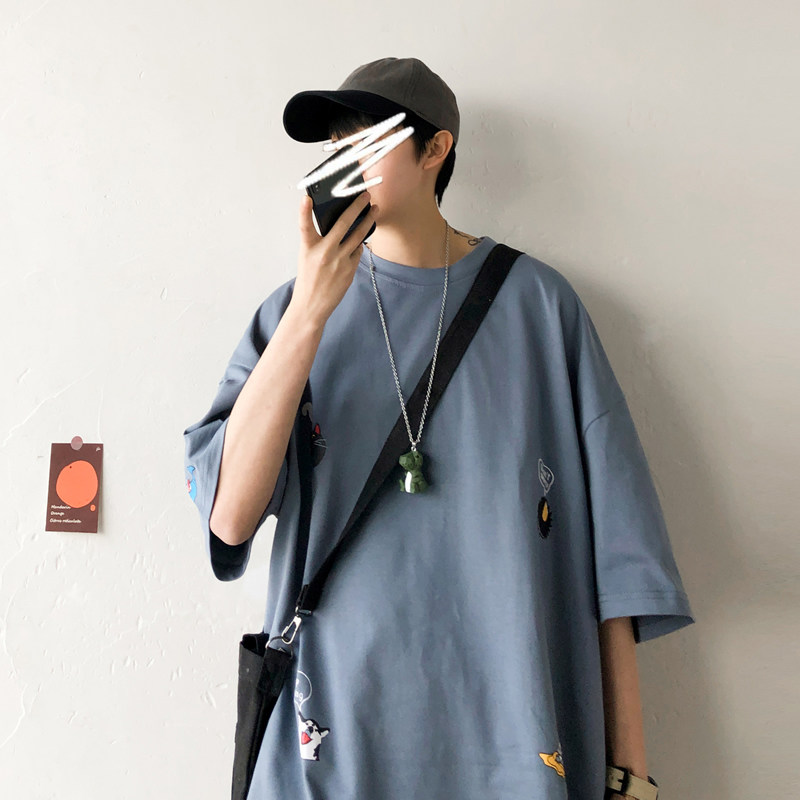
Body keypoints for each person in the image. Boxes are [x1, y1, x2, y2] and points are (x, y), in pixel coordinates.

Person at [183, 56, 695, 800]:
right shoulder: (288, 315)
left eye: (367, 140)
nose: (341, 162)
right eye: (333, 145)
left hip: (512, 739)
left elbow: (616, 562)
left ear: (435, 149)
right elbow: (229, 520)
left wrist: (629, 776)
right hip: (334, 739)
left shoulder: (540, 308)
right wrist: (311, 311)